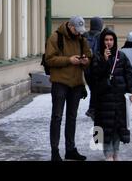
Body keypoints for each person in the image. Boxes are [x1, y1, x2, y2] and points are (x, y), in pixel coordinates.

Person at [45, 16, 92, 161]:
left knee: (72, 118)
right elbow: (49, 59)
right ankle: (55, 151)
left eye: (80, 31)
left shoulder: (81, 39)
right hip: (60, 83)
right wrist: (69, 60)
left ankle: (70, 149)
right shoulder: (55, 37)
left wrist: (85, 61)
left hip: (76, 84)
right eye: (76, 30)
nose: (78, 33)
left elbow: (89, 57)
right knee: (57, 117)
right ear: (70, 27)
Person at [91, 28, 132, 161]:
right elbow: (95, 76)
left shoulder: (121, 56)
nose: (109, 42)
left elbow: (129, 75)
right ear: (102, 41)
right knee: (105, 129)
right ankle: (108, 155)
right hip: (103, 100)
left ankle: (116, 154)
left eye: (111, 40)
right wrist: (104, 61)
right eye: (106, 39)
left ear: (115, 41)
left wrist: (131, 92)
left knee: (117, 128)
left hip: (119, 100)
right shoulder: (97, 56)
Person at [83, 17, 104, 120]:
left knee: (93, 89)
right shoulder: (101, 36)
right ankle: (92, 110)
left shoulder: (85, 36)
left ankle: (93, 109)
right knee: (96, 89)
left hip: (86, 67)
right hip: (96, 66)